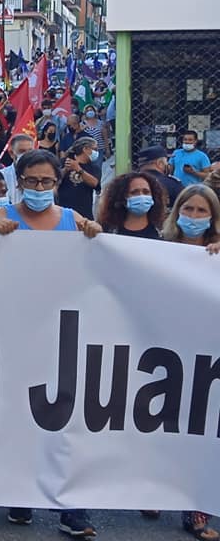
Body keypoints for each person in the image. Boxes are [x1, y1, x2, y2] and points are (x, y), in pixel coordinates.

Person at [0, 150, 101, 537]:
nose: (38, 188)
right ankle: (23, 493)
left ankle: (73, 508)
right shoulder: (4, 216)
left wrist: (96, 238)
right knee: (22, 416)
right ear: (20, 181)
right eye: (31, 181)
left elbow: (96, 261)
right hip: (15, 332)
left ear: (56, 183)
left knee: (68, 418)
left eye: (46, 181)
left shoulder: (73, 220)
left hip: (64, 333)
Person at [160, 184, 220, 541]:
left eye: (202, 211)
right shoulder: (155, 249)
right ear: (177, 211)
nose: (194, 217)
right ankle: (152, 492)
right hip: (160, 348)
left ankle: (195, 507)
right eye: (189, 209)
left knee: (202, 427)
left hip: (206, 352)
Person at [96, 171, 167, 238]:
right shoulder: (107, 232)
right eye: (134, 192)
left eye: (146, 192)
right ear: (122, 198)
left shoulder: (163, 233)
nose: (141, 196)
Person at [58, 137, 101, 220]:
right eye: (95, 149)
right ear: (85, 149)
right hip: (63, 211)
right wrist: (65, 170)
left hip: (84, 213)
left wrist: (78, 169)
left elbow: (95, 184)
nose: (96, 152)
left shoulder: (94, 168)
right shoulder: (63, 162)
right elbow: (54, 180)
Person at [1, 134, 36, 204]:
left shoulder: (41, 176)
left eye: (30, 151)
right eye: (22, 151)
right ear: (11, 153)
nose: (27, 155)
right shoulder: (1, 176)